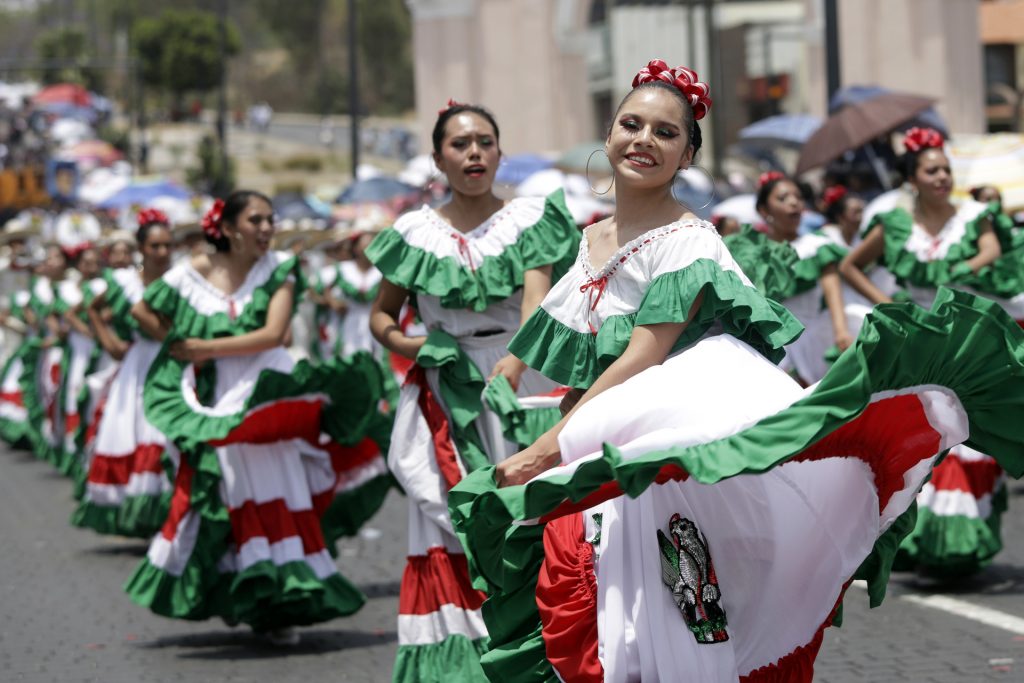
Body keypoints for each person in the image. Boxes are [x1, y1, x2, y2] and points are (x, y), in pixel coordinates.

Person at [448, 60, 1024, 682]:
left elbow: (642, 357)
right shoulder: (592, 240)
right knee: (602, 627)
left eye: (666, 132)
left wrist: (543, 451)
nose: (644, 140)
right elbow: (573, 351)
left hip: (660, 470)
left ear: (688, 155)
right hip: (595, 457)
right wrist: (536, 407)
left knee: (666, 631)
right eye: (631, 124)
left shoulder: (689, 240)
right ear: (608, 133)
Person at [365, 99, 578, 681]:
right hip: (445, 386)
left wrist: (515, 362)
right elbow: (381, 316)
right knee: (451, 522)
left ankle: (536, 656)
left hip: (520, 378)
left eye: (484, 141)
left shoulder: (528, 218)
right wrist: (416, 347)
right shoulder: (413, 232)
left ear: (500, 153)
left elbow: (536, 302)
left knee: (530, 511)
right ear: (439, 159)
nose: (474, 152)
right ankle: (460, 666)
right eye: (459, 144)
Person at [124, 191, 385, 645]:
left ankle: (280, 603)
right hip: (218, 399)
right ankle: (241, 594)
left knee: (276, 491)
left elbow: (272, 334)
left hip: (268, 395)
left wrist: (202, 347)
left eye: (270, 219)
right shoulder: (194, 272)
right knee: (227, 494)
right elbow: (142, 308)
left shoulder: (280, 268)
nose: (266, 229)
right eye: (255, 220)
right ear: (227, 228)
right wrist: (179, 345)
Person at [840, 128, 1021, 577]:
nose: (942, 177)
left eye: (945, 169)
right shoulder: (896, 224)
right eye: (931, 170)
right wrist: (889, 306)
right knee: (921, 435)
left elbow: (992, 248)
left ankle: (957, 541)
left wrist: (960, 269)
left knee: (967, 439)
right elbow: (849, 265)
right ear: (912, 179)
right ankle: (913, 539)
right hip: (918, 343)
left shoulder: (974, 215)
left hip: (964, 342)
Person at [72, 209, 175, 537]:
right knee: (135, 430)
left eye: (167, 245)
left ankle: (166, 514)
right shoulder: (125, 282)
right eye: (155, 246)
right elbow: (91, 309)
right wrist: (109, 342)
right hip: (138, 364)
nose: (162, 252)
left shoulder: (182, 279)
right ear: (141, 248)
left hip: (174, 362)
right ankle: (140, 511)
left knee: (164, 435)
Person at [724, 172, 851, 384]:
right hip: (774, 344)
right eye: (783, 198)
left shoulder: (815, 245)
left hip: (818, 338)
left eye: (798, 197)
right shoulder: (751, 253)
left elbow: (833, 292)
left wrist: (841, 331)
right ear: (764, 210)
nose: (794, 203)